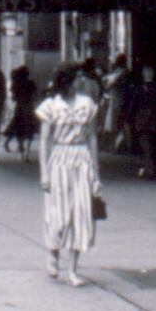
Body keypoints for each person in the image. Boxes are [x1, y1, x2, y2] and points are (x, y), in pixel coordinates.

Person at [36, 65, 102, 288]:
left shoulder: (87, 104)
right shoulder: (51, 106)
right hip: (59, 160)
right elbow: (45, 139)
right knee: (58, 213)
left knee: (80, 214)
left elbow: (92, 136)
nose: (81, 82)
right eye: (77, 78)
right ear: (68, 81)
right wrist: (44, 171)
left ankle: (73, 270)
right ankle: (52, 253)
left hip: (81, 159)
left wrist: (95, 171)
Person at [131, 65, 156, 178]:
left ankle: (148, 167)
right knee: (154, 143)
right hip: (155, 118)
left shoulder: (138, 89)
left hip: (142, 117)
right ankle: (151, 166)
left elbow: (133, 105)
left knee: (143, 141)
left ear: (143, 74)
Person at [4, 65, 38, 160]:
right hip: (29, 108)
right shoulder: (31, 83)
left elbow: (13, 98)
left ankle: (21, 148)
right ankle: (27, 151)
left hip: (19, 108)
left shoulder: (16, 84)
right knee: (29, 130)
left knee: (19, 129)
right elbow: (35, 95)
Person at [101, 55, 130, 151]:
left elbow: (106, 83)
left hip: (115, 99)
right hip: (120, 98)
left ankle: (114, 145)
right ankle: (119, 145)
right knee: (119, 122)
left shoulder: (117, 73)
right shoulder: (124, 72)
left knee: (113, 123)